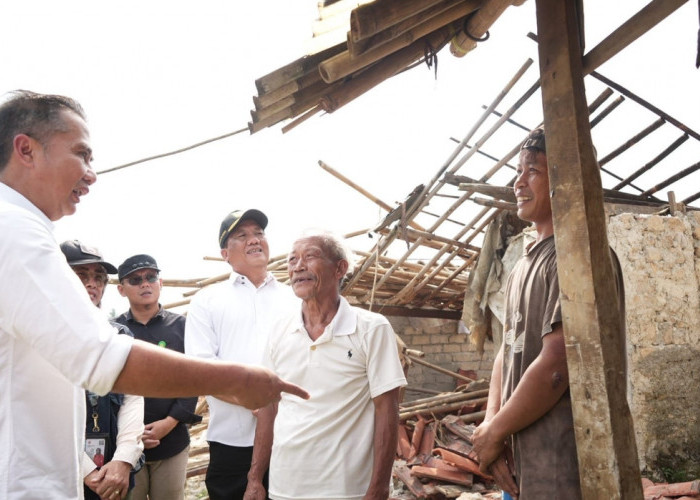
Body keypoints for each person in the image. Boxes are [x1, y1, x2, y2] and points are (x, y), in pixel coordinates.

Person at [0, 90, 307, 499]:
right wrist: (240, 378)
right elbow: (102, 359)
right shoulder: (15, 232)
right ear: (26, 150)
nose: (91, 174)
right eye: (82, 154)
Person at [471, 128, 625, 499]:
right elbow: (505, 354)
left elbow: (558, 364)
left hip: (563, 468)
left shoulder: (576, 255)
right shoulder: (523, 264)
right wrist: (493, 426)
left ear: (567, 178)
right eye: (517, 171)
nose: (518, 182)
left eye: (532, 171)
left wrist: (493, 434)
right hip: (520, 464)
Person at [244, 230, 407, 500]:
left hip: (349, 488)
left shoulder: (371, 328)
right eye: (292, 259)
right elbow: (268, 407)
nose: (298, 266)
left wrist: (379, 487)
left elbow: (387, 409)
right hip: (286, 486)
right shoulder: (280, 330)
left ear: (340, 268)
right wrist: (254, 479)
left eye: (310, 256)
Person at [185, 209, 299, 499]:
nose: (254, 240)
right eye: (242, 235)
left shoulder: (294, 298)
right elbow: (201, 370)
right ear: (225, 253)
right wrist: (252, 401)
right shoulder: (207, 301)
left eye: (259, 233)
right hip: (232, 443)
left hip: (292, 436)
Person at [60, 239, 145, 500]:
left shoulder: (119, 335)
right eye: (81, 274)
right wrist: (85, 469)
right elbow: (40, 412)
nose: (92, 283)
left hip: (113, 472)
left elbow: (133, 399)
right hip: (62, 473)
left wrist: (123, 460)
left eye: (99, 277)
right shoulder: (43, 335)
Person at [115, 254, 202, 500]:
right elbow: (107, 388)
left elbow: (194, 380)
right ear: (121, 289)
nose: (145, 283)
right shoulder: (112, 331)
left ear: (160, 283)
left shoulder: (182, 327)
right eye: (135, 280)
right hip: (126, 445)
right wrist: (132, 434)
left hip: (172, 442)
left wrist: (170, 422)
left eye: (150, 277)